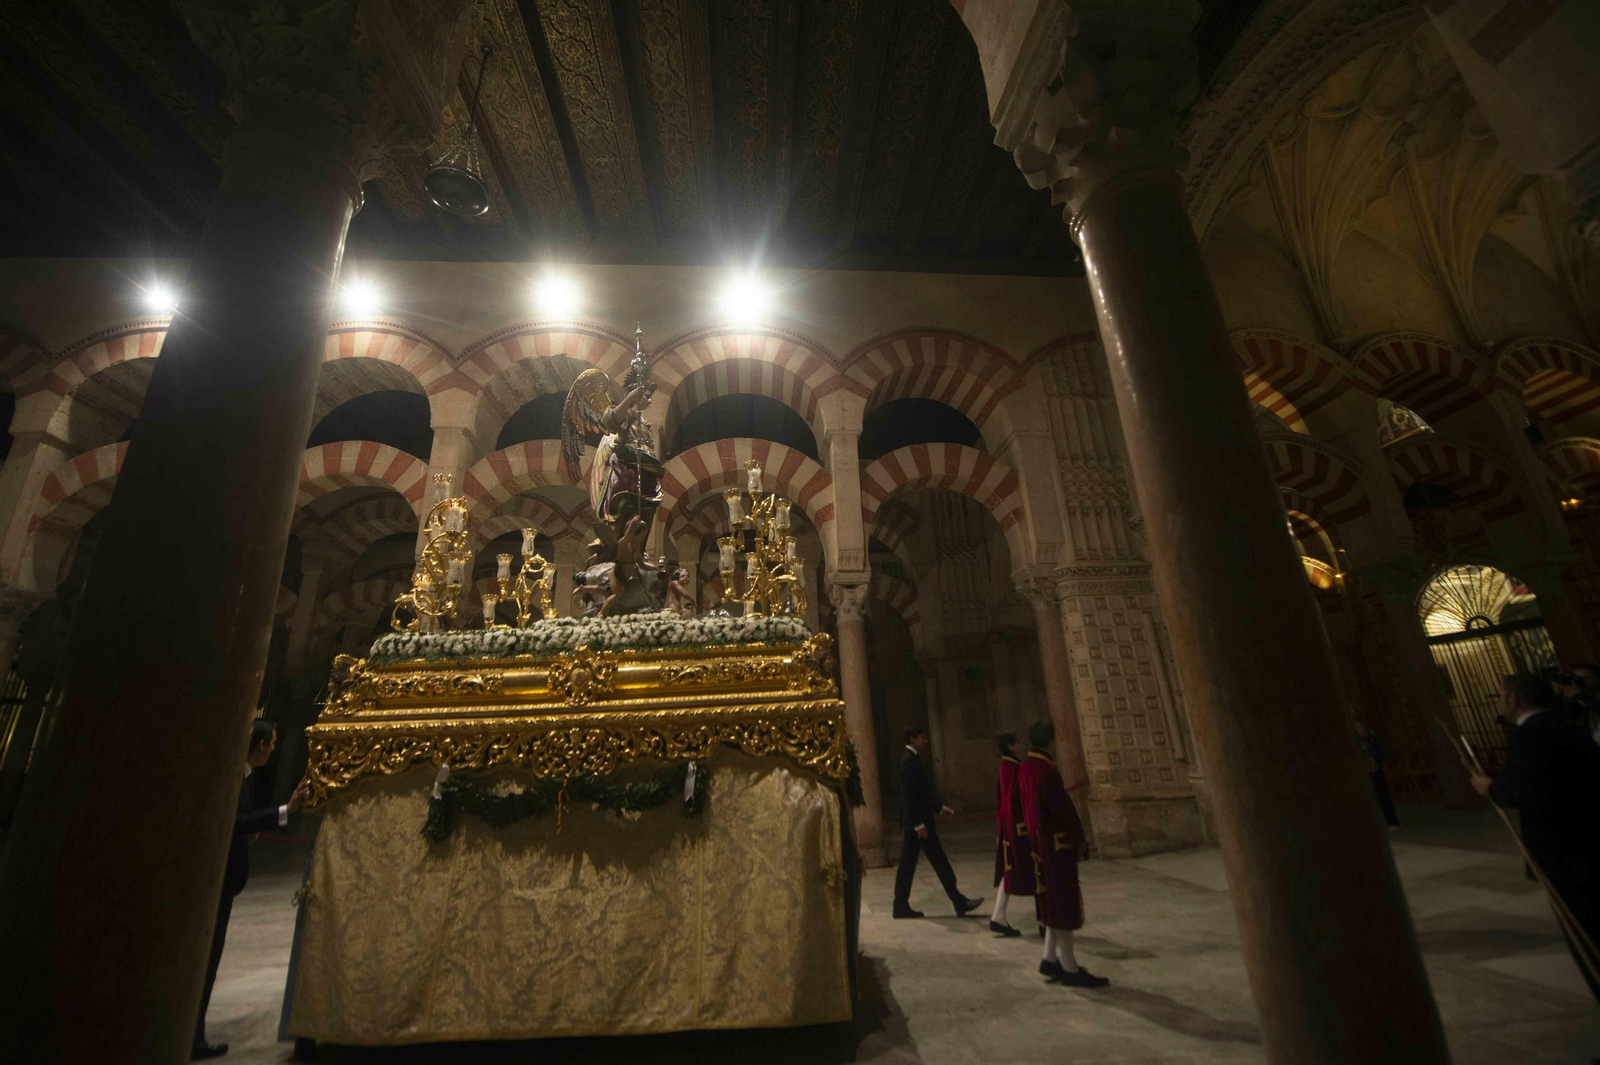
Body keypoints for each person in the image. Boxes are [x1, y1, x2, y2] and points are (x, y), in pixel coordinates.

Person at [1471, 673, 1600, 1006]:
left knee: (1587, 940)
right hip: (1586, 842)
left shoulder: (1531, 735)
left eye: (1501, 695)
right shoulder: (1564, 727)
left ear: (1514, 699)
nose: (1499, 701)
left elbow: (1530, 791)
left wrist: (1491, 788)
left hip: (1566, 852)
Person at [194, 720, 308, 1060]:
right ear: (259, 745)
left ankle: (194, 1031)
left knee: (210, 958)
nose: (274, 749)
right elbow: (236, 822)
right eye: (272, 743)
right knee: (206, 957)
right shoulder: (236, 777)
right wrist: (287, 810)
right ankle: (192, 1035)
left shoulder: (245, 777)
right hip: (220, 880)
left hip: (227, 879)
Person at [1019, 720, 1108, 988]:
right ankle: (1069, 967)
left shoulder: (1025, 767)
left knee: (1052, 902)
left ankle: (1049, 958)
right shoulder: (1047, 770)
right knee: (1064, 903)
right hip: (1056, 846)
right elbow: (1063, 810)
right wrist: (1079, 837)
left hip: (1037, 845)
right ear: (1051, 741)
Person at [892, 725, 983, 919]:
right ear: (912, 739)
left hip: (917, 823)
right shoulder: (909, 761)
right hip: (918, 824)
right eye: (922, 738)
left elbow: (923, 792)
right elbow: (910, 797)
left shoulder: (913, 759)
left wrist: (940, 807)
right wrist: (919, 825)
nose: (925, 741)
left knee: (910, 864)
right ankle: (958, 901)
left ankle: (901, 905)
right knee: (938, 862)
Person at [989, 731, 1034, 936]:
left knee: (1012, 870)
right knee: (1026, 869)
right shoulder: (1015, 768)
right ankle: (1046, 919)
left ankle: (998, 916)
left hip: (1009, 827)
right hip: (1019, 828)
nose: (1019, 745)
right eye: (1016, 742)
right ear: (1011, 746)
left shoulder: (1005, 767)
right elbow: (1016, 799)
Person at [1353, 720, 1400, 831]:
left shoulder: (1371, 739)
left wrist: (1373, 757)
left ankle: (1392, 821)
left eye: (1361, 725)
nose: (1360, 728)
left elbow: (1383, 752)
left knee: (1382, 796)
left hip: (1375, 769)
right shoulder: (1356, 741)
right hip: (1363, 772)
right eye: (1357, 726)